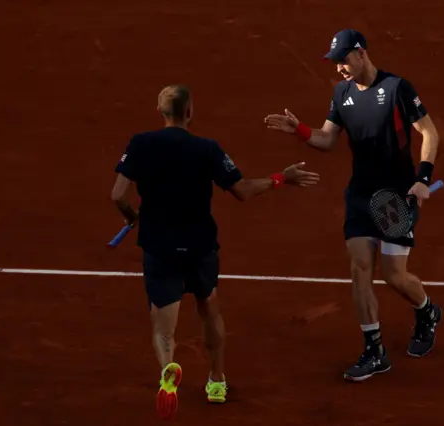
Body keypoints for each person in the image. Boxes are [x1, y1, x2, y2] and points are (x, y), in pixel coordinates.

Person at [110, 84, 320, 418]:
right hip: (199, 247)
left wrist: (134, 218)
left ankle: (168, 369)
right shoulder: (207, 149)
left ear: (160, 111)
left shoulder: (140, 144)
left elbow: (118, 195)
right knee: (209, 309)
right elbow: (242, 190)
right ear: (189, 111)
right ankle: (217, 380)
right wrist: (282, 178)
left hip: (158, 246)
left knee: (163, 327)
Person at [264, 29, 442, 382]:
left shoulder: (397, 89)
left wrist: (422, 178)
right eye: (336, 62)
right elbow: (328, 138)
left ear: (361, 54)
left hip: (396, 196)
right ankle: (374, 350)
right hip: (361, 194)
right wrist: (298, 129)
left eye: (344, 60)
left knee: (394, 276)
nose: (340, 68)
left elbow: (430, 133)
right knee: (360, 266)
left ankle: (427, 311)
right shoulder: (341, 93)